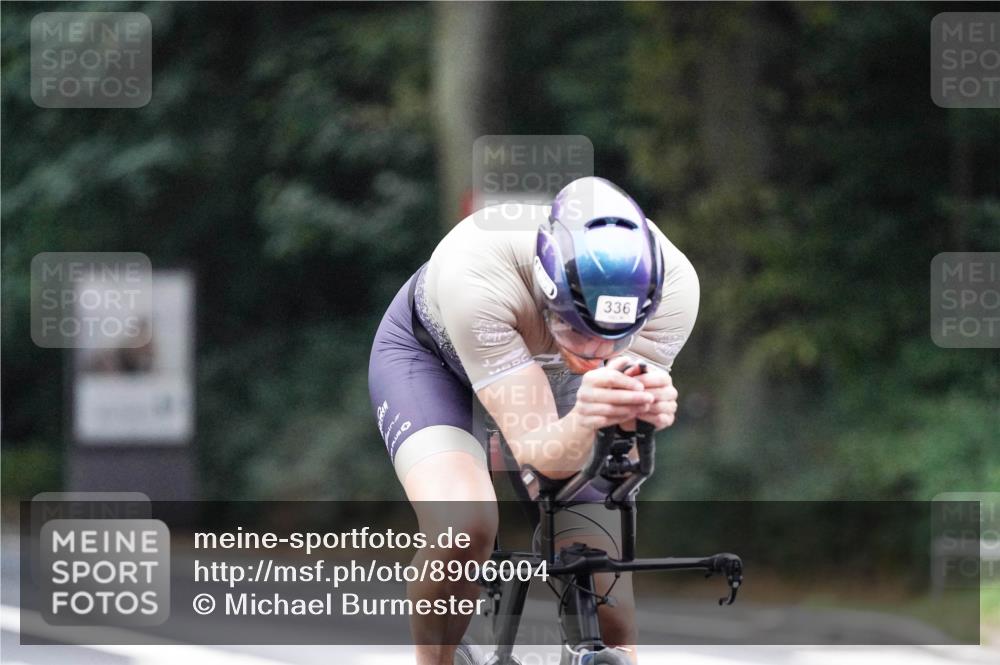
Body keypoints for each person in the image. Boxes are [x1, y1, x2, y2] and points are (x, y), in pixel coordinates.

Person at [368, 176, 699, 664]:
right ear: (546, 291)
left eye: (616, 339)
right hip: (434, 362)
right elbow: (540, 456)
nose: (595, 354)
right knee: (464, 527)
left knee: (603, 571)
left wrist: (638, 417)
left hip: (546, 380)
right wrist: (589, 414)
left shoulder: (676, 289)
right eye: (577, 329)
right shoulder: (479, 272)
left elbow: (610, 457)